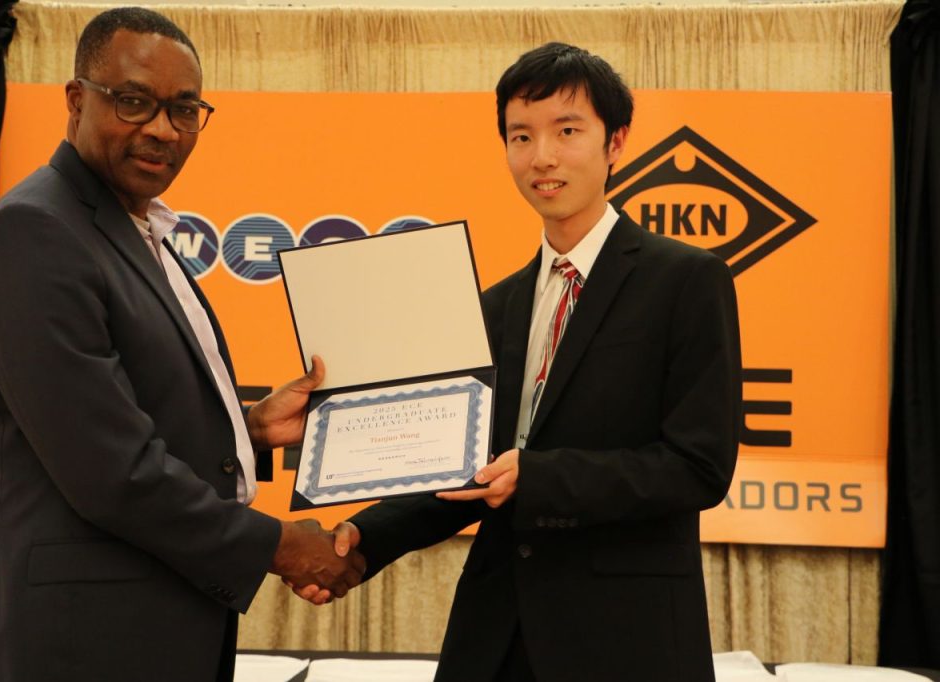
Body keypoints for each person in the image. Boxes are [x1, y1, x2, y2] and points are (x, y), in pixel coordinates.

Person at [296, 42, 742, 681]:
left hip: (626, 636)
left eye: (567, 131)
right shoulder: (496, 304)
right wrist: (363, 540)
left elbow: (698, 468)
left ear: (615, 142)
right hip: (496, 632)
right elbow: (463, 468)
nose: (542, 157)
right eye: (521, 136)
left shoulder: (686, 281)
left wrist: (537, 477)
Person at [0, 8, 364, 682]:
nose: (162, 130)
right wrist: (279, 546)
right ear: (76, 100)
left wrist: (250, 429)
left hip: (147, 631)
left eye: (184, 110)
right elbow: (112, 473)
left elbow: (127, 413)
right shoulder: (34, 232)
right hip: (73, 647)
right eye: (134, 101)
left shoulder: (137, 230)